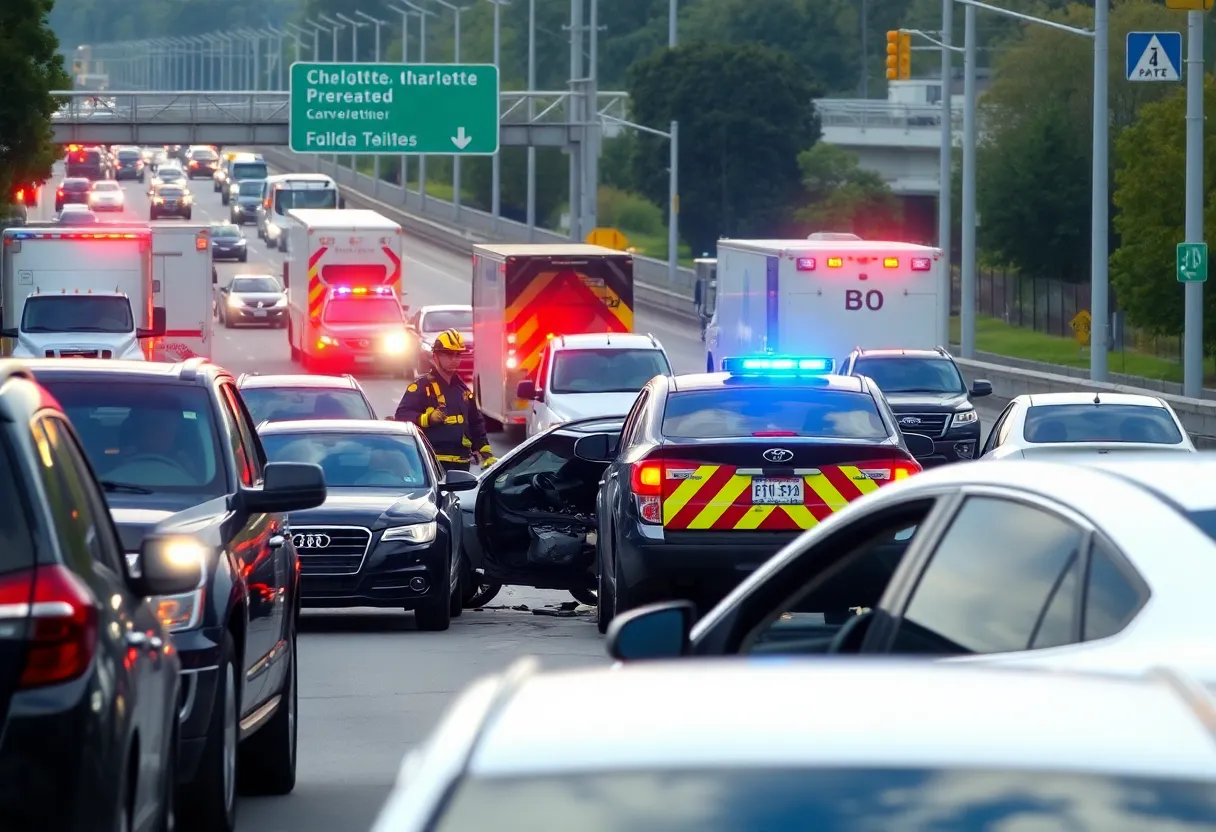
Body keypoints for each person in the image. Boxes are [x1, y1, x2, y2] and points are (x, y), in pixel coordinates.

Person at [394, 329, 497, 474]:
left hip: (462, 464)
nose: (454, 359)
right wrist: (427, 419)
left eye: (458, 355)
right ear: (435, 357)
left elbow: (476, 424)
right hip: (432, 463)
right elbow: (401, 415)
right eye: (448, 354)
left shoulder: (463, 391)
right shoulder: (421, 387)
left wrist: (486, 453)